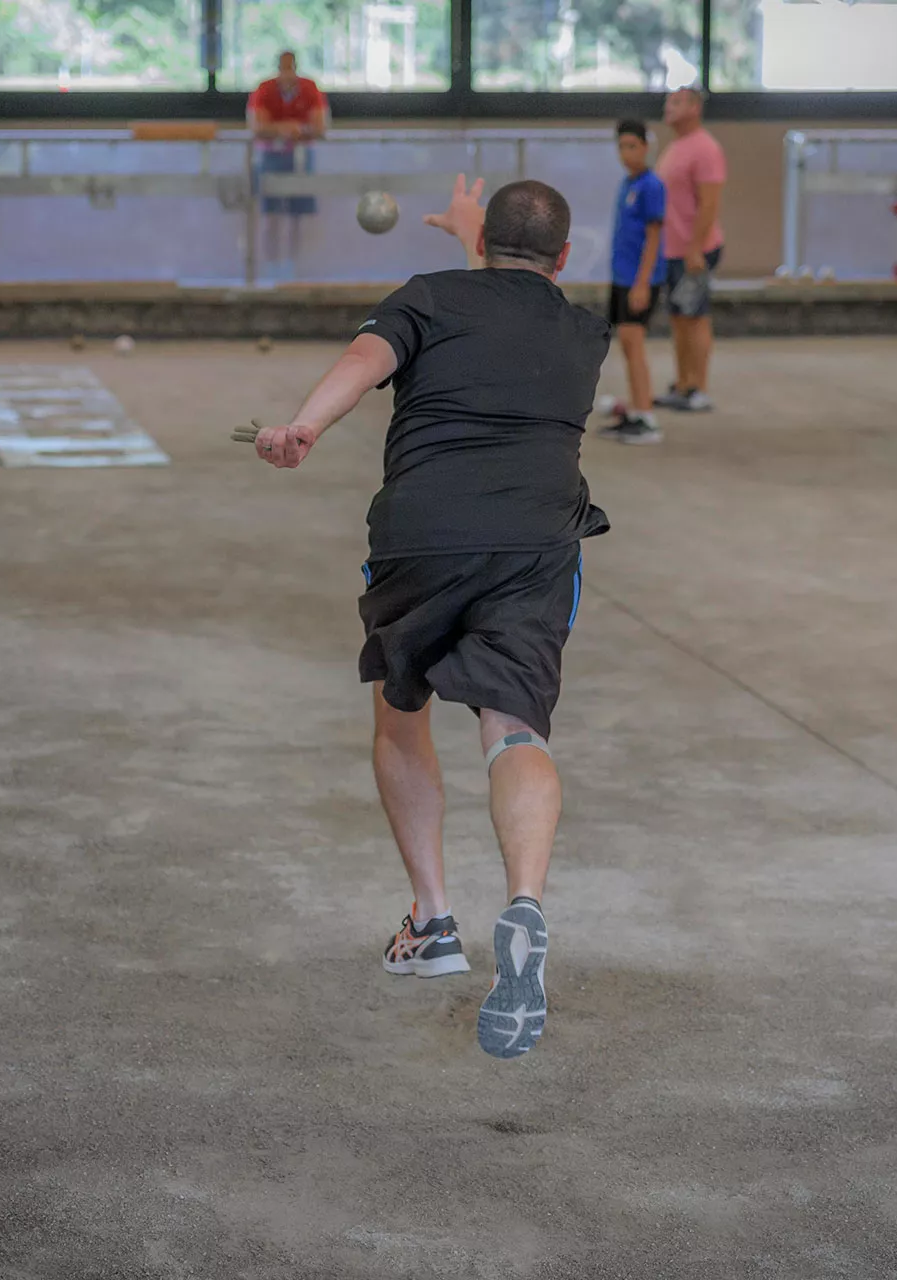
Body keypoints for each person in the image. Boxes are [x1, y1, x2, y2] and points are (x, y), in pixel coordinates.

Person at [236, 176, 612, 1061]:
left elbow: (368, 356)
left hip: (422, 535)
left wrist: (304, 426)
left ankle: (433, 922)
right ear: (564, 257)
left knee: (400, 716)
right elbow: (510, 299)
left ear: (482, 247)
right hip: (534, 539)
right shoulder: (582, 330)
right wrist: (475, 236)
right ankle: (524, 904)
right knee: (514, 730)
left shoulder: (428, 298)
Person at [653, 86, 725, 414]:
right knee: (679, 319)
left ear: (695, 108)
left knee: (695, 318)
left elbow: (709, 204)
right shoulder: (675, 147)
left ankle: (699, 389)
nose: (669, 107)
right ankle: (683, 384)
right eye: (669, 101)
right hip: (672, 250)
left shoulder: (705, 148)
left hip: (694, 251)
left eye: (678, 102)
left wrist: (695, 248)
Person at [601, 119, 668, 445]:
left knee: (634, 342)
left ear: (645, 147)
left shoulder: (652, 186)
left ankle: (646, 417)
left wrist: (642, 283)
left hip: (639, 279)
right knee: (627, 344)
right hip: (622, 276)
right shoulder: (627, 184)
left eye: (632, 146)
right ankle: (636, 408)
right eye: (621, 147)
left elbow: (654, 238)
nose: (626, 153)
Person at [248, 51, 329, 279]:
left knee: (297, 215)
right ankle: (270, 266)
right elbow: (258, 127)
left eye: (290, 68)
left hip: (301, 157)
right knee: (271, 214)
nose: (287, 74)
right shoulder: (264, 89)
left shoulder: (310, 88)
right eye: (283, 69)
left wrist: (294, 129)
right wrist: (286, 128)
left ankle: (293, 267)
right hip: (271, 157)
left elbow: (319, 126)